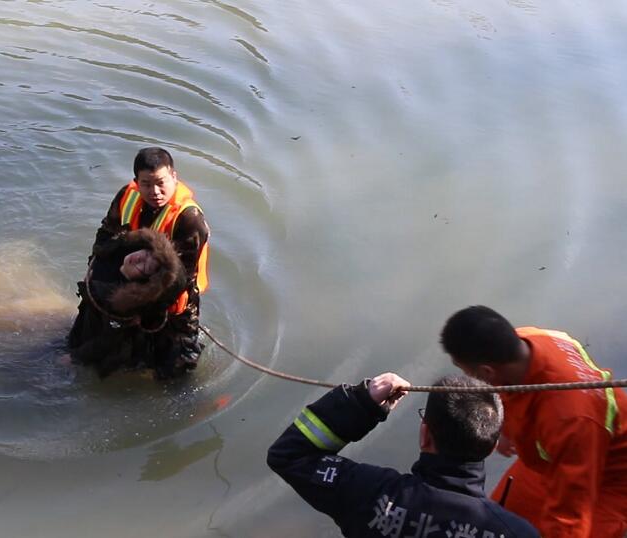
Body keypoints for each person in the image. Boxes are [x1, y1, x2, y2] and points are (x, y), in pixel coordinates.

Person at [267, 372, 538, 537]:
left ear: (425, 434)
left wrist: (362, 403)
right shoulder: (516, 532)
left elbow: (290, 455)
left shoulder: (370, 494)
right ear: (491, 447)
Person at [440, 305, 627, 537]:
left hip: (606, 481)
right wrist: (506, 427)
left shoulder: (570, 419)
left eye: (466, 371)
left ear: (487, 372)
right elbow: (508, 387)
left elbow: (570, 515)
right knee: (492, 527)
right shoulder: (530, 338)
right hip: (552, 460)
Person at [68, 147, 210, 379]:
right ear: (136, 182)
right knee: (88, 333)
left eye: (161, 183)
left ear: (174, 177)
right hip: (129, 276)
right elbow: (106, 235)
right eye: (146, 184)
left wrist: (141, 311)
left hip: (171, 298)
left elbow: (179, 280)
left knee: (176, 368)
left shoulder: (190, 220)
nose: (155, 192)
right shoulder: (127, 196)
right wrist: (96, 272)